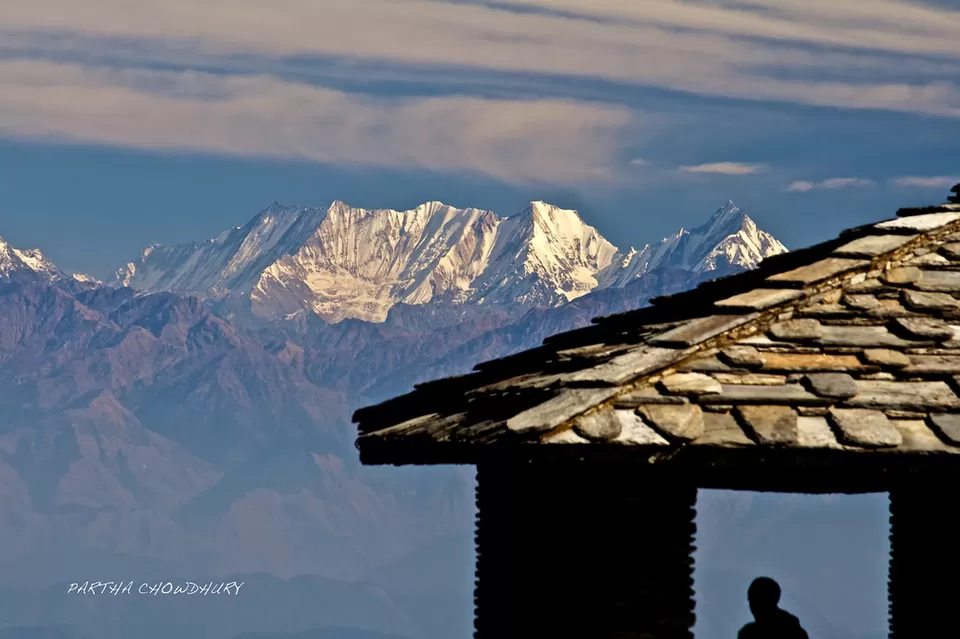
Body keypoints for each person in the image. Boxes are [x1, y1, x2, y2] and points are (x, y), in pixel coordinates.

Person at [738, 576, 808, 639]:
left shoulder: (792, 631)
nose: (753, 607)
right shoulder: (746, 634)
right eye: (751, 601)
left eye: (759, 601)